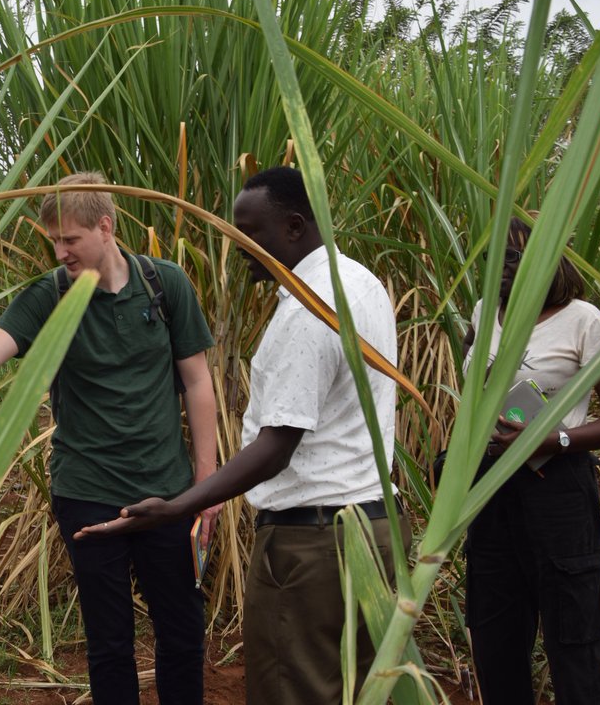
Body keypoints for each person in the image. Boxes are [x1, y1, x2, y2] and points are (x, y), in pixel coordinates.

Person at [0, 172, 219, 705]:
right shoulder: (49, 296)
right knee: (109, 643)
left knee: (183, 636)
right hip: (87, 491)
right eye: (53, 240)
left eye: (70, 239)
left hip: (167, 493)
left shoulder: (164, 285)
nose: (60, 252)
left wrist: (205, 489)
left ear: (105, 227)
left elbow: (197, 381)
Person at [76, 166, 406, 705]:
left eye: (251, 233)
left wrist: (178, 506)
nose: (238, 247)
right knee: (363, 689)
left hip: (312, 547)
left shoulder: (308, 311)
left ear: (295, 227)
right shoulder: (361, 282)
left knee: (291, 690)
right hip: (375, 531)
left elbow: (277, 448)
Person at [460, 217, 600, 704]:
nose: (501, 269)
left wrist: (556, 438)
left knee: (575, 637)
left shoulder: (583, 321)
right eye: (493, 257)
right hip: (491, 487)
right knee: (495, 633)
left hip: (556, 487)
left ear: (549, 258)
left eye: (514, 258)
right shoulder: (484, 313)